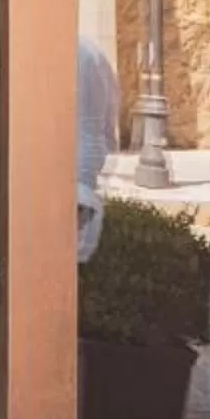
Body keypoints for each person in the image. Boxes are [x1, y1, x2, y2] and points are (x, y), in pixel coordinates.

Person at [76, 36, 120, 263]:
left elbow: (91, 130)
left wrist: (80, 190)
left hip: (76, 188)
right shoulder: (89, 52)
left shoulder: (79, 55)